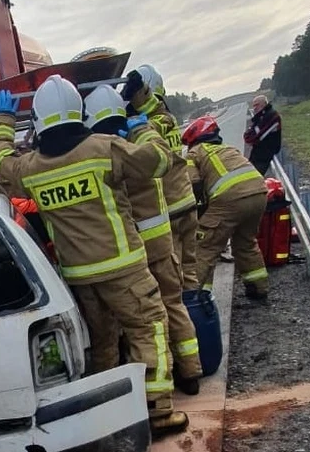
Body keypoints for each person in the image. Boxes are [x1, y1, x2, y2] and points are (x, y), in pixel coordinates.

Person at [0, 75, 188, 435]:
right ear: (79, 114)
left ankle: (111, 416)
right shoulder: (103, 149)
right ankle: (157, 412)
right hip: (123, 267)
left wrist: (2, 122)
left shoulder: (31, 168)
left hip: (78, 277)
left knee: (103, 345)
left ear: (38, 119)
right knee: (148, 329)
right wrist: (142, 127)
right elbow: (160, 161)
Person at [83, 84, 203, 394]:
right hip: (161, 244)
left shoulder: (107, 151)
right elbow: (163, 142)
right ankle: (189, 373)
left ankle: (137, 387)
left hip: (130, 254)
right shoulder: (140, 142)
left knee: (135, 325)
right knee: (172, 307)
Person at [121, 65, 201, 289]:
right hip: (186, 203)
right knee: (190, 269)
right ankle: (199, 312)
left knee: (174, 278)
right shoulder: (169, 119)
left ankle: (187, 318)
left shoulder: (153, 124)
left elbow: (146, 128)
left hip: (170, 210)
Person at [181, 115, 269, 301]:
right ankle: (258, 289)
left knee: (204, 246)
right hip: (260, 193)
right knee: (246, 242)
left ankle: (199, 298)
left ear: (193, 140)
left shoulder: (194, 153)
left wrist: (199, 215)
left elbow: (193, 184)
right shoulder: (228, 149)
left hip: (230, 199)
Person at [243, 95, 282, 175]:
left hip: (265, 156)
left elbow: (255, 137)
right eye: (253, 105)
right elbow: (248, 136)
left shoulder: (272, 116)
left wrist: (253, 134)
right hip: (257, 155)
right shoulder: (260, 117)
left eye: (257, 105)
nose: (254, 108)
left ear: (264, 104)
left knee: (254, 181)